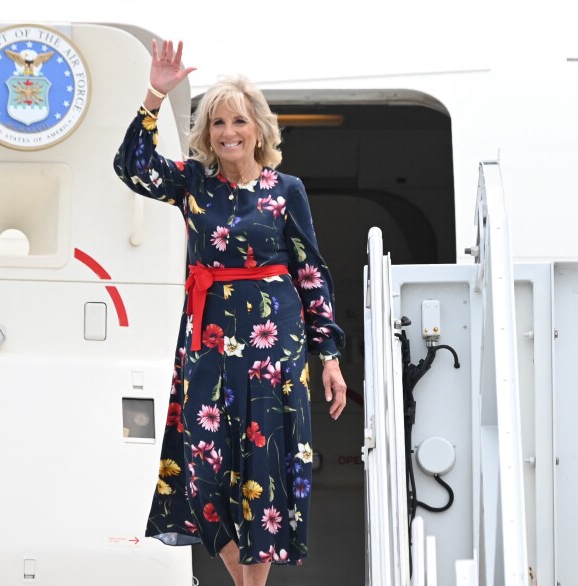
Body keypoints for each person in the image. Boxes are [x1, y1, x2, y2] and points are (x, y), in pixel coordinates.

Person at [113, 39, 348, 586]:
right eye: (217, 123)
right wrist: (154, 95)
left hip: (275, 345)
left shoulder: (286, 191)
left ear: (258, 129)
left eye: (238, 121)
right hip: (210, 341)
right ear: (207, 133)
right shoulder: (194, 183)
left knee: (263, 466)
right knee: (205, 465)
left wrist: (329, 355)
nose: (227, 132)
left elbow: (310, 273)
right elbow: (132, 166)